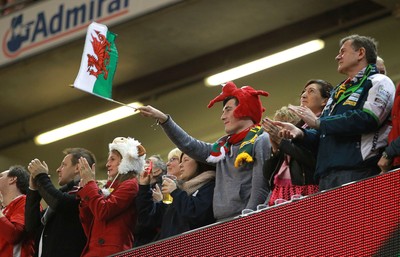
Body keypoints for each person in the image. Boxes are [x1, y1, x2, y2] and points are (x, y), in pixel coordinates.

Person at [275, 34, 395, 191]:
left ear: (360, 53)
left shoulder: (378, 81)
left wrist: (319, 122)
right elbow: (323, 133)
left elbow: (368, 119)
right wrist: (300, 133)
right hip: (326, 175)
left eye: (343, 51)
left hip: (357, 171)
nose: (338, 57)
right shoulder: (339, 90)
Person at [139, 81, 270, 220]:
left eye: (228, 109)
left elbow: (260, 187)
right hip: (221, 223)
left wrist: (249, 218)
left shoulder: (261, 140)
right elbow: (189, 145)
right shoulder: (221, 148)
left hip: (247, 220)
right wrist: (164, 119)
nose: (223, 117)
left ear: (245, 108)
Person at [263, 79, 333, 205]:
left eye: (311, 91)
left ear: (325, 101)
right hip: (280, 193)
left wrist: (281, 142)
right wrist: (275, 148)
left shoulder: (326, 125)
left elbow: (315, 162)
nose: (304, 95)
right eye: (303, 92)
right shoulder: (297, 126)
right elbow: (267, 174)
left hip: (307, 191)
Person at [77, 137, 145, 257]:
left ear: (126, 162)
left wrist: (90, 184)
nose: (107, 164)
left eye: (112, 159)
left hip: (111, 253)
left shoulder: (131, 184)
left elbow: (103, 211)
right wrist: (85, 193)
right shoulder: (107, 187)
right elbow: (89, 225)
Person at [25, 148, 96, 257]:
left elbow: (60, 202)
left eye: (63, 165)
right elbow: (31, 225)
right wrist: (33, 190)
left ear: (77, 167)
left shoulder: (87, 192)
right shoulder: (62, 197)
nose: (58, 169)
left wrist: (41, 177)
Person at [136, 152, 216, 240]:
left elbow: (196, 215)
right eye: (180, 161)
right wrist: (144, 187)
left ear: (199, 162)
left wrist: (176, 192)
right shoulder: (179, 190)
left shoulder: (210, 186)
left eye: (185, 160)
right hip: (170, 248)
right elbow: (148, 219)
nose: (181, 165)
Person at [0, 165, 34, 257]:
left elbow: (14, 235)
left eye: (1, 176)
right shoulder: (3, 210)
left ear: (13, 179)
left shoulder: (25, 201)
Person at [133, 154, 166, 247]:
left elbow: (143, 222)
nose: (142, 163)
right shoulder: (137, 189)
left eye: (147, 162)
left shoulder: (164, 189)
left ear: (157, 171)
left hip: (151, 244)